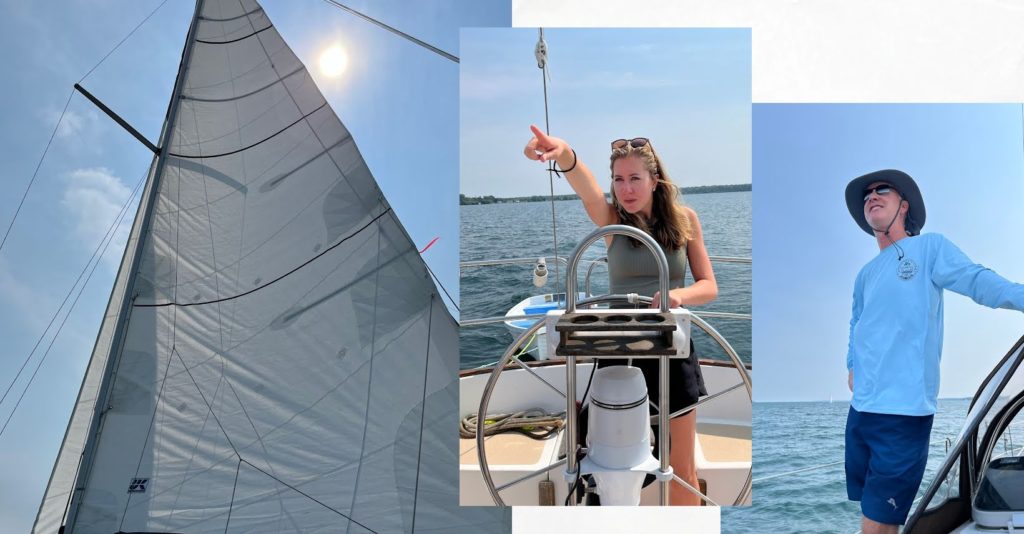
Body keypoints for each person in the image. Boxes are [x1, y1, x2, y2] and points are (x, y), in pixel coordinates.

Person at [523, 124, 718, 506]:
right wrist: (562, 151)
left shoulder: (685, 220)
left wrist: (678, 293)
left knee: (682, 466)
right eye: (618, 179)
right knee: (607, 464)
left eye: (634, 178)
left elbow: (709, 285)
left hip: (672, 346)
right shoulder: (612, 221)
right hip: (617, 348)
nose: (625, 188)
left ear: (655, 180)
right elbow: (585, 186)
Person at [844, 169, 1024, 532]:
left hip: (903, 412)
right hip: (861, 411)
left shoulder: (930, 248)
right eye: (866, 195)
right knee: (870, 511)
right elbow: (856, 323)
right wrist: (851, 365)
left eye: (882, 190)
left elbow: (976, 279)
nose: (871, 197)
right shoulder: (864, 274)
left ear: (904, 205)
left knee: (878, 524)